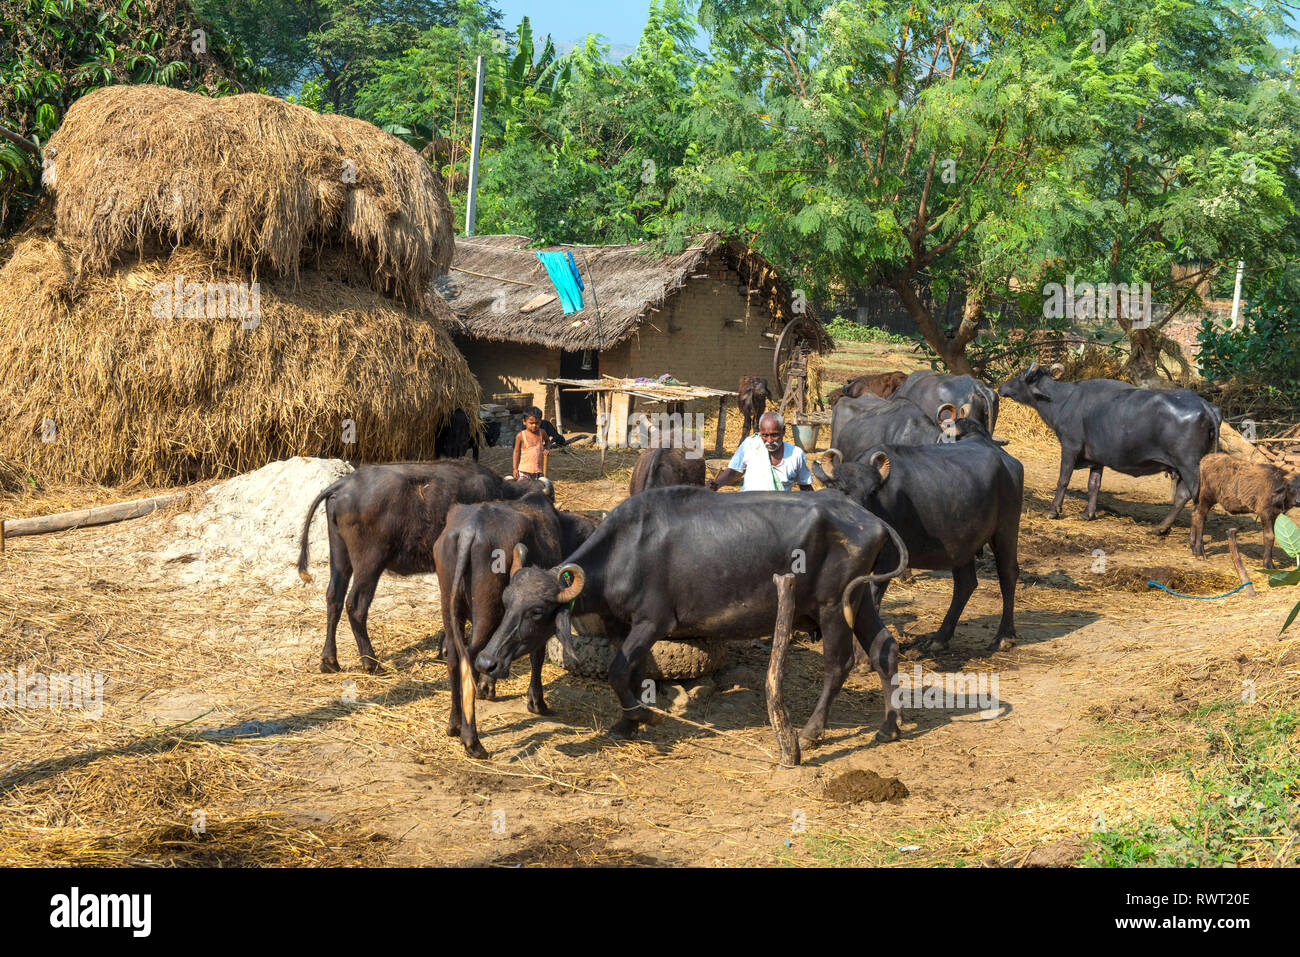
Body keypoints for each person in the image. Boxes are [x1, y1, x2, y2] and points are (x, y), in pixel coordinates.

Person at [707, 411, 813, 492]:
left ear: (783, 431)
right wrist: (716, 484)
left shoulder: (796, 454)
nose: (769, 441)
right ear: (759, 432)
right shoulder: (750, 444)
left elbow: (805, 486)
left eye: (774, 435)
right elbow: (732, 472)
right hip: (749, 507)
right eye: (765, 435)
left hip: (778, 510)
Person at [513, 406, 550, 480]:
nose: (534, 425)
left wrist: (547, 448)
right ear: (524, 422)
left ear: (540, 421)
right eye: (531, 423)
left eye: (537, 423)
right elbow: (516, 452)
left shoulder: (542, 433)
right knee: (524, 488)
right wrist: (515, 468)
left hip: (538, 471)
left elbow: (547, 441)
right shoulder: (520, 436)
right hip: (524, 471)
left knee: (537, 489)